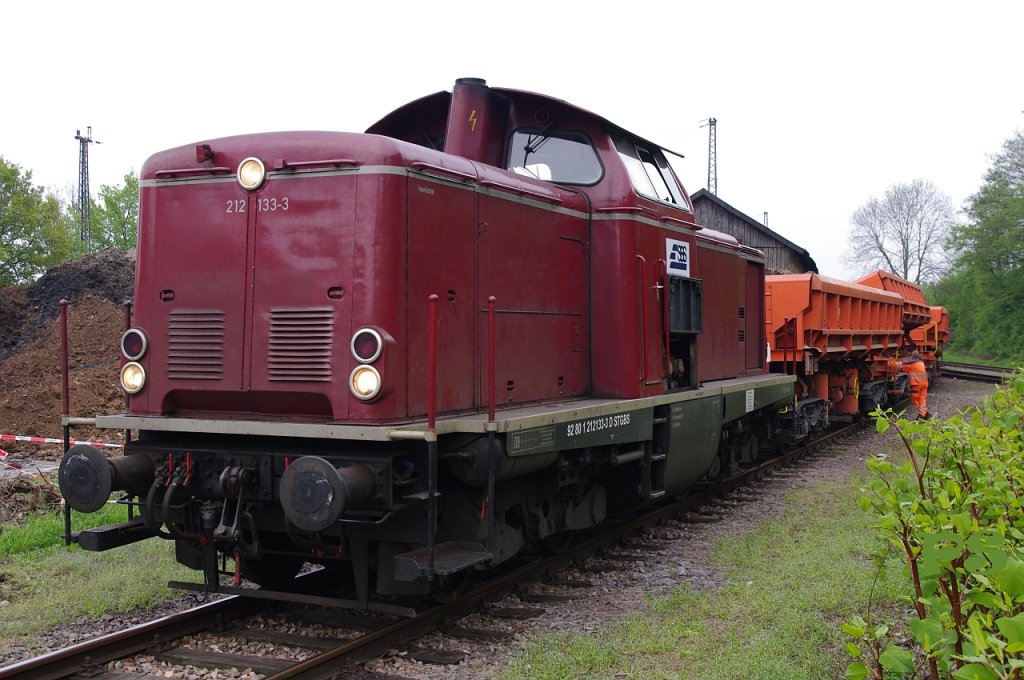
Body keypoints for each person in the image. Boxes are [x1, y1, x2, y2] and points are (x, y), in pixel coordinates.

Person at [899, 350, 929, 419]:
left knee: (914, 400)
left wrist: (891, 363)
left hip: (917, 385)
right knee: (922, 399)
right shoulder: (921, 363)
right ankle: (924, 414)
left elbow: (901, 365)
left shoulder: (912, 364)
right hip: (924, 384)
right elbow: (912, 370)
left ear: (912, 356)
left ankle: (922, 415)